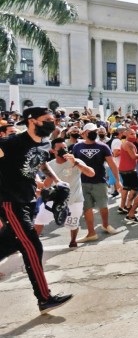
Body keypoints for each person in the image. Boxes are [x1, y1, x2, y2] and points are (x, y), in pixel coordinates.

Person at [0, 107, 73, 313]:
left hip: (28, 201)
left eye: (53, 119)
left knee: (7, 245)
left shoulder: (45, 142)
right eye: (47, 119)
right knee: (32, 246)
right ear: (32, 121)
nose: (53, 122)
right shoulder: (11, 143)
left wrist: (57, 182)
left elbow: (40, 163)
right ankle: (44, 298)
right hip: (10, 202)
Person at [35, 138, 96, 248]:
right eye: (60, 149)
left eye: (65, 148)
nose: (64, 150)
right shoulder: (50, 165)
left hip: (74, 199)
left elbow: (91, 174)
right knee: (40, 219)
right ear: (53, 151)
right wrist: (48, 179)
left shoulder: (75, 161)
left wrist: (76, 163)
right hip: (54, 200)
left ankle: (73, 241)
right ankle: (31, 243)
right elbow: (47, 185)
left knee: (73, 224)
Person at [73, 123, 122, 243]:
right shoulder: (77, 147)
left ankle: (105, 225)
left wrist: (117, 181)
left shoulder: (103, 146)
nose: (93, 132)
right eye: (90, 131)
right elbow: (73, 165)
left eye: (95, 130)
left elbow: (112, 164)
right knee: (87, 208)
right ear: (83, 133)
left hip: (99, 181)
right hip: (83, 182)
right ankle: (91, 232)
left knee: (103, 205)